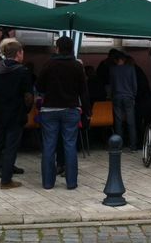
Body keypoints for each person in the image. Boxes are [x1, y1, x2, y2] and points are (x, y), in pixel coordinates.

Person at [36, 36, 90, 190]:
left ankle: (48, 183)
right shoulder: (77, 66)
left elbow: (39, 86)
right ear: (72, 48)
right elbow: (83, 91)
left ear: (57, 48)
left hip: (50, 110)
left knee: (49, 146)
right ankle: (71, 183)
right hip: (71, 109)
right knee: (70, 145)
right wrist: (87, 110)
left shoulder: (49, 65)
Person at [0, 38, 33, 189]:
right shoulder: (23, 71)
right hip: (16, 113)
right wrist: (26, 109)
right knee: (11, 147)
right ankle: (6, 180)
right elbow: (28, 96)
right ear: (18, 53)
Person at [110, 50, 138, 152]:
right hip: (128, 97)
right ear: (123, 59)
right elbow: (134, 84)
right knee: (131, 122)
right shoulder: (131, 69)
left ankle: (118, 145)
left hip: (117, 96)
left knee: (118, 122)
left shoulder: (112, 70)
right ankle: (133, 146)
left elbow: (111, 86)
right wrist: (133, 95)